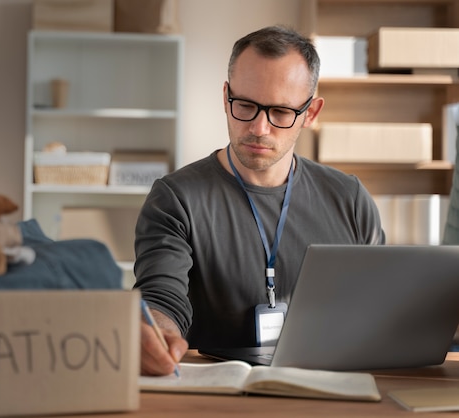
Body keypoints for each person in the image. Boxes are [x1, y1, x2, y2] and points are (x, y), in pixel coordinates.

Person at [134, 25, 386, 376]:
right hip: (218, 395)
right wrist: (158, 332)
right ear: (226, 97)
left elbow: (379, 305)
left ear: (310, 114)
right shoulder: (175, 198)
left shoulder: (349, 198)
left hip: (331, 388)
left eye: (281, 112)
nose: (259, 128)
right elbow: (162, 297)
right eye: (246, 105)